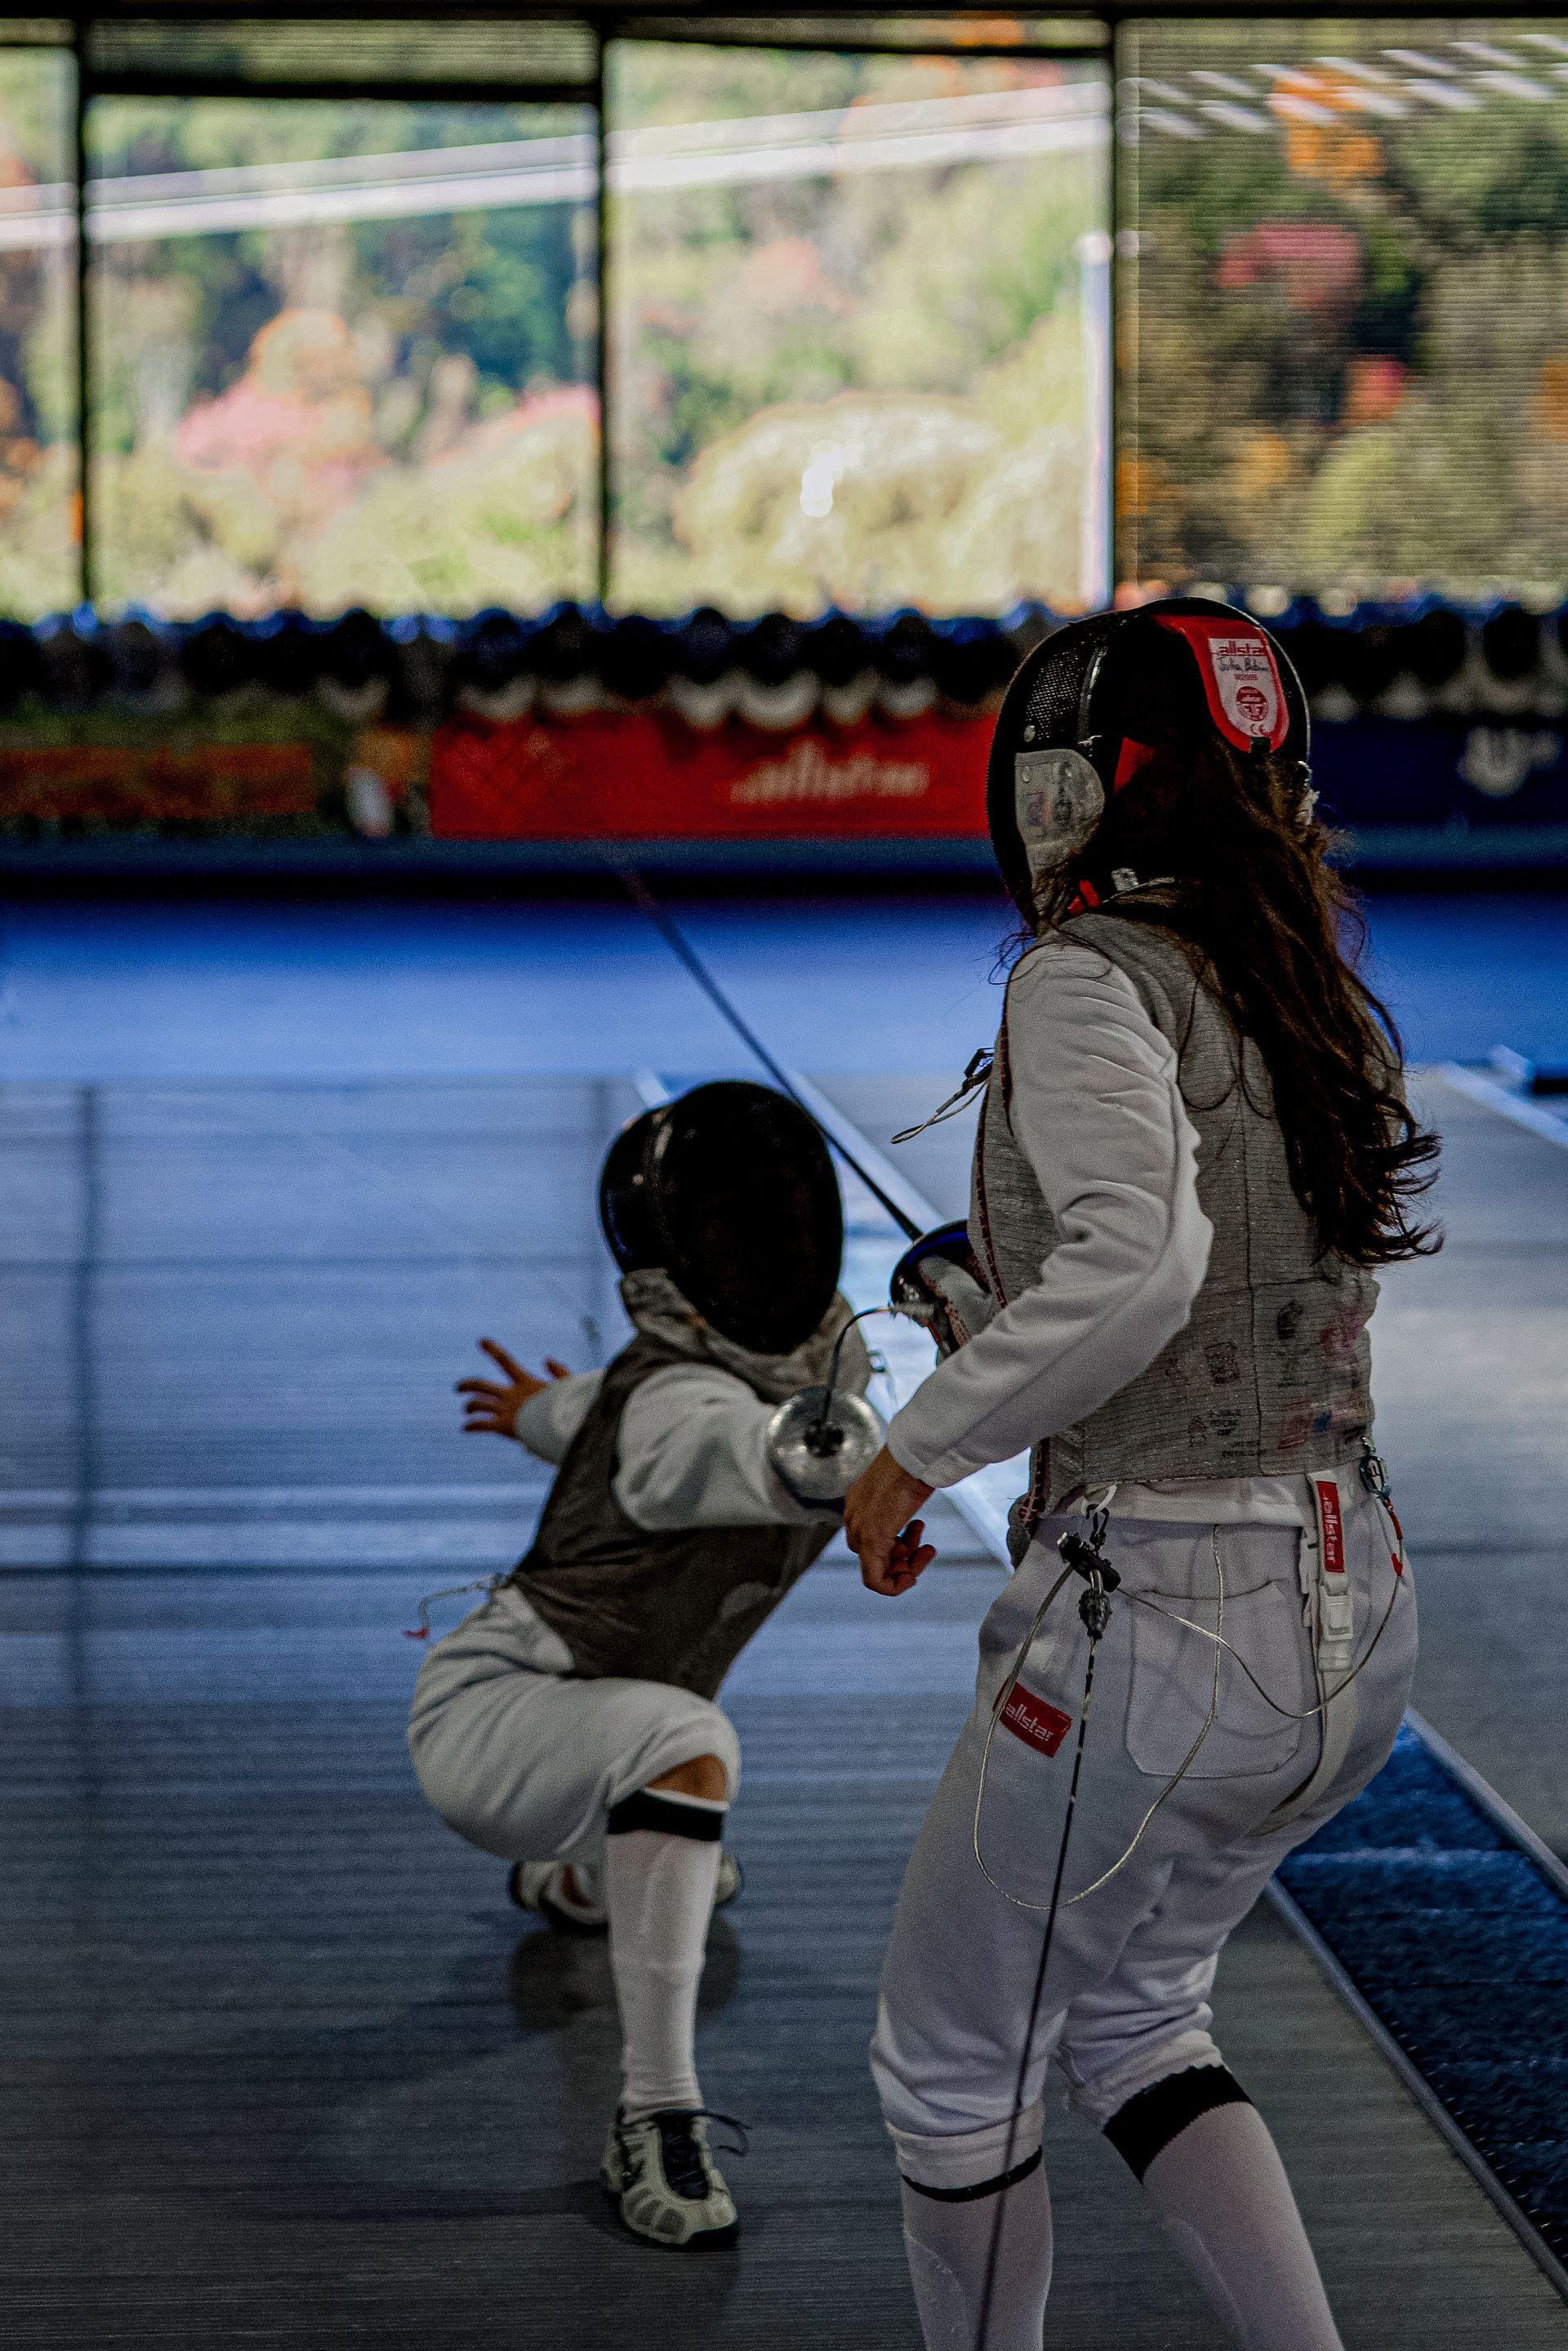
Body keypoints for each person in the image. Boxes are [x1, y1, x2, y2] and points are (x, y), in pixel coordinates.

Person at [844, 598, 1437, 2351]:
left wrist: (911, 1452)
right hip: (1357, 1611)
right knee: (1139, 2020)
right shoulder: (1310, 980)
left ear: (1079, 786)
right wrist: (992, 1302)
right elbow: (1222, 1276)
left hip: (1165, 1627)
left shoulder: (1083, 975)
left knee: (950, 2069)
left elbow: (1141, 1265)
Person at [407, 1080, 876, 2251]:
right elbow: (711, 1447)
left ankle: (583, 1877)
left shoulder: (788, 1373)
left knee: (670, 1770)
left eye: (770, 1214)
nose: (765, 1239)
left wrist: (530, 1412)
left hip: (579, 1715)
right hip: (494, 1716)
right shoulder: (719, 1409)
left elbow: (595, 1414)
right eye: (732, 1221)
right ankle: (655, 2111)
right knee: (688, 1741)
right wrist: (854, 1460)